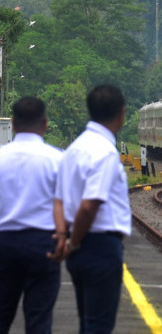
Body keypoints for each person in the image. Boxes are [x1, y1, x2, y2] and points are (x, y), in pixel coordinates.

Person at [54, 84, 131, 333]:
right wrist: (73, 242)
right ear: (122, 113)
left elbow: (60, 200)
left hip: (79, 250)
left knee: (87, 321)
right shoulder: (105, 152)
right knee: (98, 326)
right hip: (99, 246)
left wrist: (65, 237)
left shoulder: (73, 149)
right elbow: (89, 207)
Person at [0, 97, 63, 334]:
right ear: (45, 124)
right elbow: (65, 206)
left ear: (13, 124)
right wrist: (64, 239)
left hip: (4, 244)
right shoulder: (57, 159)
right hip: (43, 244)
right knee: (39, 320)